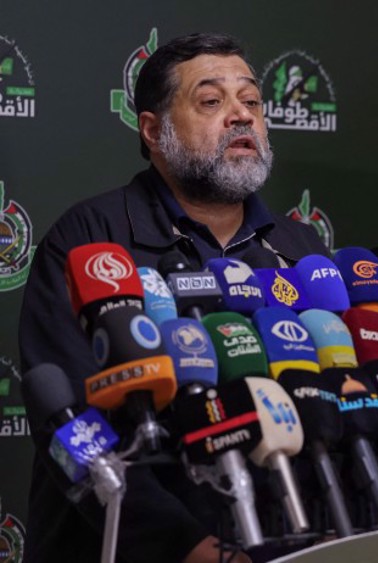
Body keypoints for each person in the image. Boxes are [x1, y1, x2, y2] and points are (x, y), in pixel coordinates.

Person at [18, 33, 328, 563]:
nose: (241, 116)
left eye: (251, 101)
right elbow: (69, 430)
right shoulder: (90, 241)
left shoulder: (300, 251)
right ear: (154, 131)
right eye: (212, 101)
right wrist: (183, 546)